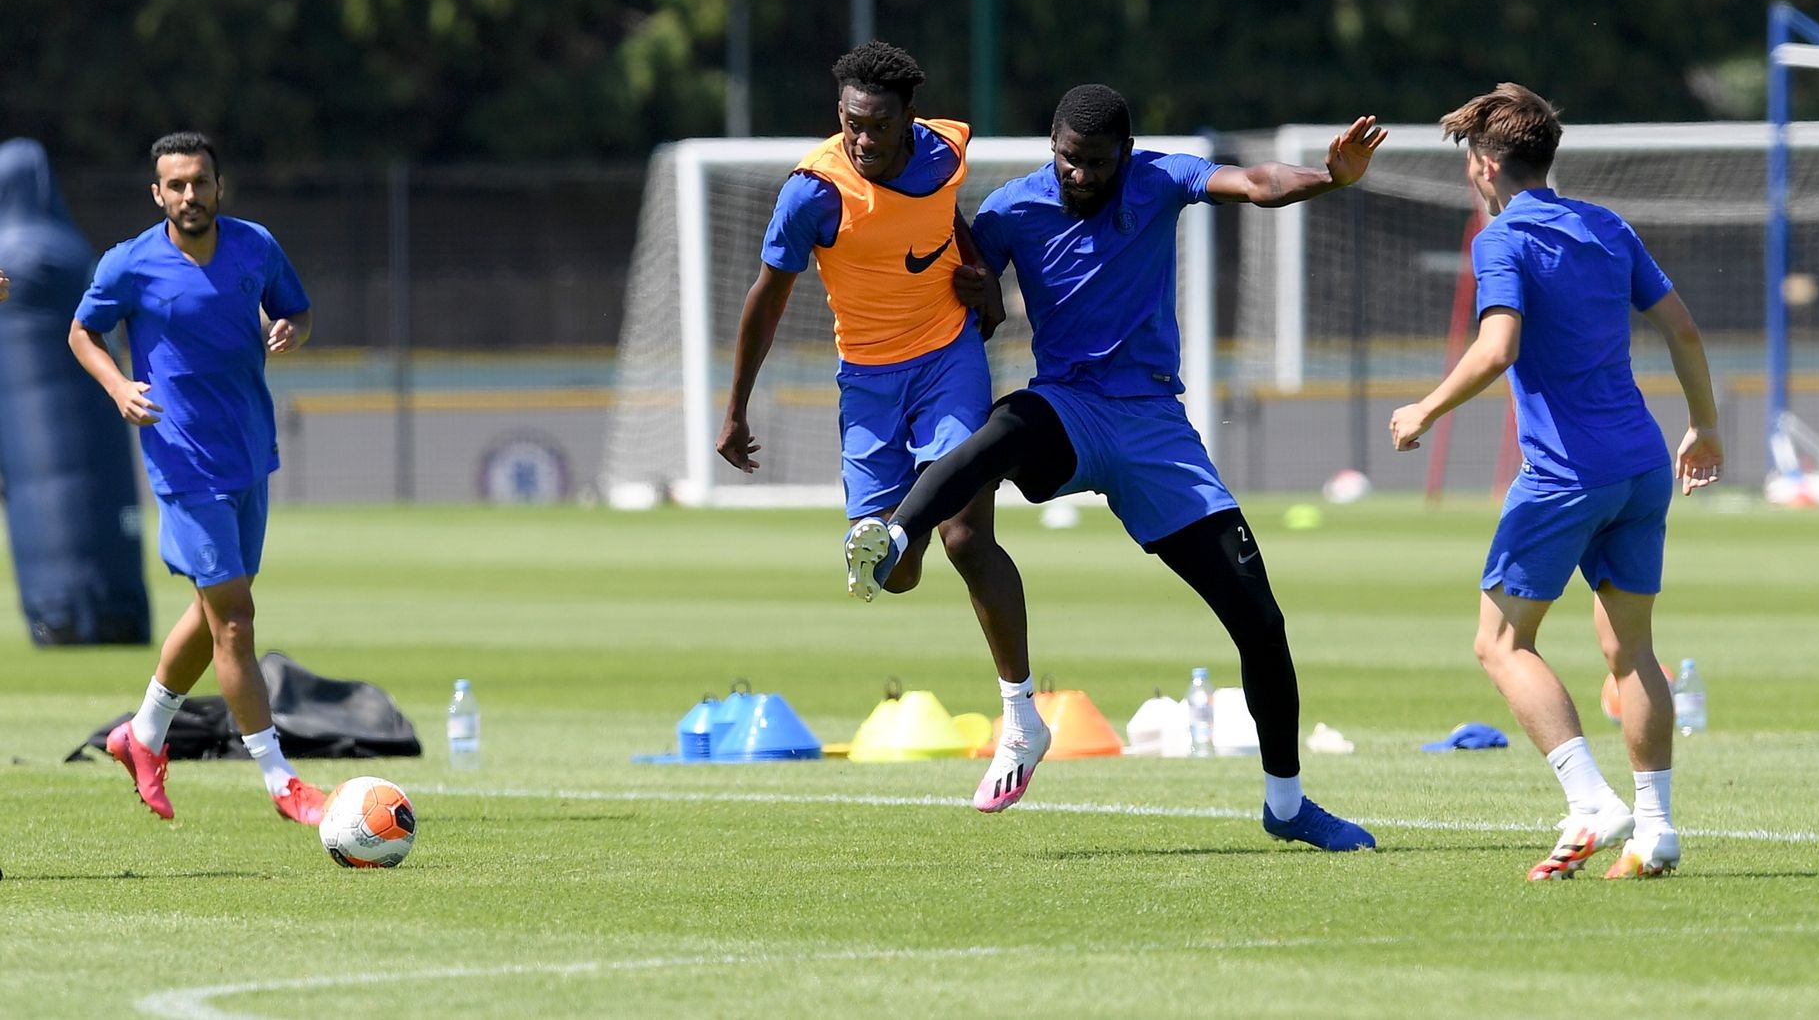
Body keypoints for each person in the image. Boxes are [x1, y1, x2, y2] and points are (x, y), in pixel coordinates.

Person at [846, 84, 1386, 849]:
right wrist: (975, 293)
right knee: (1003, 429)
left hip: (1155, 430)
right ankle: (895, 537)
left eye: (1096, 163)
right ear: (1052, 149)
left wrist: (1328, 178)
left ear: (1123, 155)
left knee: (1260, 623)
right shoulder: (1008, 211)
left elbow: (1253, 183)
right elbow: (957, 287)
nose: (1080, 175)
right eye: (1068, 159)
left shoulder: (1161, 177)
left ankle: (1288, 804)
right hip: (1069, 408)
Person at [1389, 83, 1721, 881]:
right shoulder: (1606, 227)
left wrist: (1425, 409)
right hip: (1641, 463)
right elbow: (1680, 325)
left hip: (1567, 474)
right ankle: (1655, 828)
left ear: (1483, 166)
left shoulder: (1500, 240)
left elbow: (1498, 346)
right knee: (1629, 647)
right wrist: (1705, 425)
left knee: (1500, 641)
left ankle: (1589, 800)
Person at [715, 43, 1032, 811]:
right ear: (840, 117)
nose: (863, 139)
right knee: (896, 570)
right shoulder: (813, 194)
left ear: (907, 120)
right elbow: (766, 296)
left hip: (948, 360)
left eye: (878, 124)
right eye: (852, 123)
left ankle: (1020, 716)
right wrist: (735, 408)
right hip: (866, 383)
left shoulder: (943, 151)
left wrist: (983, 283)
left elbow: (944, 216)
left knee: (965, 533)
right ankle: (890, 540)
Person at [69, 131, 327, 826]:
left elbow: (296, 308)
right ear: (158, 194)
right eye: (175, 185)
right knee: (236, 623)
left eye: (199, 182)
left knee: (214, 609)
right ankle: (281, 779)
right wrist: (118, 387)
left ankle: (143, 734)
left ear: (219, 187)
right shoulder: (131, 263)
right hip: (181, 460)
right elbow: (82, 331)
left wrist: (292, 330)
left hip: (248, 451)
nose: (189, 195)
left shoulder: (255, 246)